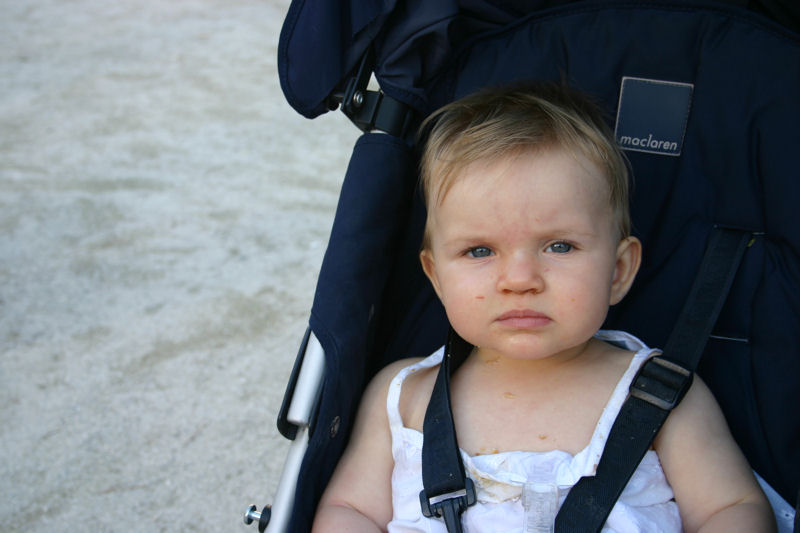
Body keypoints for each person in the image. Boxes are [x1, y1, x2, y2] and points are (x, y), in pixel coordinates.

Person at [312, 82, 775, 532]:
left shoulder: (658, 396)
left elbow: (731, 507)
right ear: (436, 277)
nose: (520, 280)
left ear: (618, 271)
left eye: (559, 246)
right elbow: (350, 509)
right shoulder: (405, 395)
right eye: (479, 251)